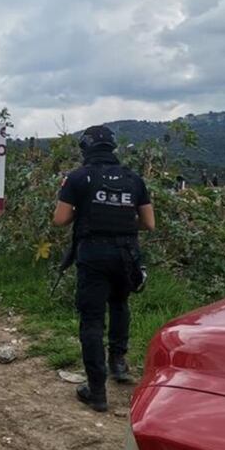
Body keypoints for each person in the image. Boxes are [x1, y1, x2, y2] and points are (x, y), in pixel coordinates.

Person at [53, 126, 155, 412]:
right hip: (127, 254)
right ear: (112, 148)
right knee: (120, 304)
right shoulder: (133, 179)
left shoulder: (77, 178)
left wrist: (88, 213)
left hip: (93, 254)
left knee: (92, 320)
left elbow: (60, 219)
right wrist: (120, 220)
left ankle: (96, 391)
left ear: (85, 149)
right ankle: (118, 363)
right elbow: (148, 223)